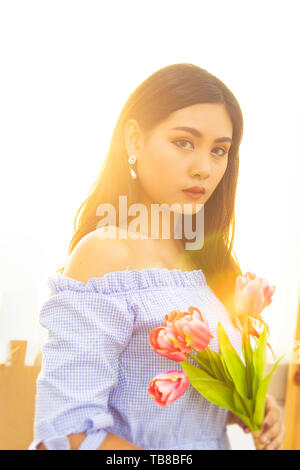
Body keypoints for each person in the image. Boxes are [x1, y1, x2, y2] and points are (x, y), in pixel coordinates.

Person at [29, 63, 284, 450]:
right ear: (133, 139)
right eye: (184, 142)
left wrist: (245, 404)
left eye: (219, 150)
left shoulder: (204, 261)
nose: (203, 168)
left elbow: (173, 402)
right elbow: (67, 433)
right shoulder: (107, 253)